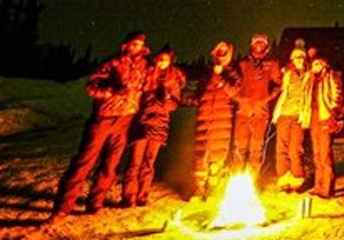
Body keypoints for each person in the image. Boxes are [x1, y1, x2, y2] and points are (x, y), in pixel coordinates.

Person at [49, 30, 150, 221]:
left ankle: (95, 202)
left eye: (139, 45)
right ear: (126, 45)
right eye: (133, 44)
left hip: (125, 120)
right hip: (104, 118)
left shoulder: (145, 67)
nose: (136, 47)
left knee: (110, 164)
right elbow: (91, 87)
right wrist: (111, 92)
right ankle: (62, 207)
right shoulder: (113, 63)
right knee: (85, 161)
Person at [120, 44, 186, 207]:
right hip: (143, 122)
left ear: (170, 61)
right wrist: (150, 103)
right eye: (160, 58)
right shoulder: (147, 74)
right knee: (135, 162)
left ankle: (142, 195)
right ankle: (129, 196)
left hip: (159, 125)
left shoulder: (173, 79)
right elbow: (137, 95)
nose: (162, 62)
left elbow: (175, 102)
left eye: (166, 59)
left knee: (149, 162)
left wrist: (165, 102)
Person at [188, 40, 240, 200]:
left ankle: (212, 190)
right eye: (219, 50)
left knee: (217, 157)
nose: (221, 53)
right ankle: (198, 189)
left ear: (229, 53)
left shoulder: (232, 72)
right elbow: (199, 94)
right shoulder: (206, 72)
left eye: (224, 51)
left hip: (222, 120)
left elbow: (235, 92)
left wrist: (220, 79)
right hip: (204, 119)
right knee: (200, 157)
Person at [233, 33, 281, 179]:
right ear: (251, 45)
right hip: (243, 112)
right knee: (239, 148)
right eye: (256, 43)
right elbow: (234, 85)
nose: (259, 46)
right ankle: (236, 178)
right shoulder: (243, 64)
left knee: (256, 149)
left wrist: (266, 98)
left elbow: (278, 85)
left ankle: (252, 180)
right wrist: (240, 99)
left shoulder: (272, 64)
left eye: (262, 43)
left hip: (261, 114)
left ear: (266, 46)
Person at [301, 53, 343, 199]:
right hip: (313, 118)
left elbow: (337, 96)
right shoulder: (310, 78)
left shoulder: (331, 76)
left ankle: (327, 188)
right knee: (317, 154)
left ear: (325, 65)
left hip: (325, 117)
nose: (316, 67)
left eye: (319, 64)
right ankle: (318, 186)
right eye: (314, 64)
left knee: (325, 154)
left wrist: (333, 115)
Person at [271, 45, 309, 192]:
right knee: (281, 148)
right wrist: (277, 113)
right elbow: (282, 92)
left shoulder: (309, 75)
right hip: (284, 115)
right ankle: (283, 179)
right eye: (297, 57)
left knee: (295, 149)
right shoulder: (288, 75)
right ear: (292, 60)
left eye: (302, 57)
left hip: (298, 116)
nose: (299, 59)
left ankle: (297, 179)